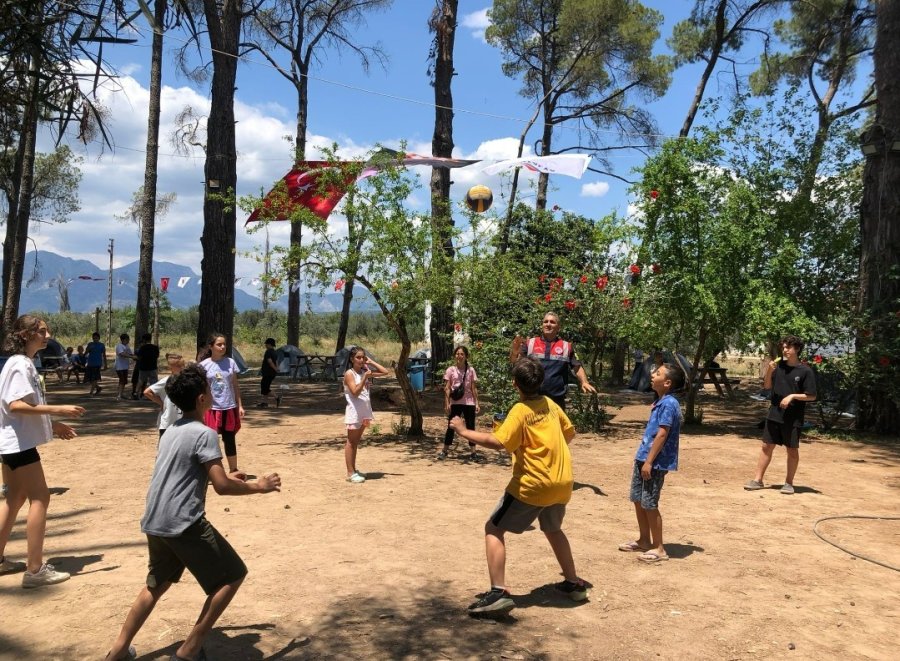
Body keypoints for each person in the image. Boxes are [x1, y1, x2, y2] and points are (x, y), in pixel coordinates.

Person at [104, 364, 281, 661]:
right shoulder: (205, 434)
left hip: (155, 520)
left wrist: (221, 478)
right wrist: (258, 486)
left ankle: (118, 652)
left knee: (156, 584)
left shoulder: (171, 430)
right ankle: (188, 650)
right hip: (183, 522)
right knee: (233, 575)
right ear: (202, 399)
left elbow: (187, 476)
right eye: (209, 389)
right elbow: (222, 486)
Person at [449, 357, 588, 616]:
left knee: (493, 528)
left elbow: (498, 442)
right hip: (562, 482)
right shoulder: (550, 404)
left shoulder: (520, 410)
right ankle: (574, 584)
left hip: (532, 485)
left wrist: (463, 430)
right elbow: (569, 433)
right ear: (541, 382)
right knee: (554, 529)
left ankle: (498, 593)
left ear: (515, 384)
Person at [0, 315, 86, 588]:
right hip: (18, 445)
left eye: (47, 330)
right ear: (25, 335)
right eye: (41, 331)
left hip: (12, 443)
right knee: (40, 498)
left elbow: (23, 408)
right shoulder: (19, 364)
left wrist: (52, 424)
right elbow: (14, 406)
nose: (47, 335)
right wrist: (57, 410)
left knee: (14, 498)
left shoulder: (24, 363)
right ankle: (35, 570)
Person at [618, 362, 685, 563]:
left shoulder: (669, 403)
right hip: (643, 458)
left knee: (650, 502)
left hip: (654, 462)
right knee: (638, 499)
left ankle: (660, 548)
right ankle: (644, 540)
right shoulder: (660, 401)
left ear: (667, 383)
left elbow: (662, 434)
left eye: (657, 373)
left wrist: (649, 462)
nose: (652, 374)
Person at [744, 335, 817, 495]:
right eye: (783, 347)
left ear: (797, 349)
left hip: (793, 418)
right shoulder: (779, 368)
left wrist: (792, 396)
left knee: (791, 450)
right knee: (766, 446)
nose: (784, 350)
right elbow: (767, 386)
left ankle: (789, 483)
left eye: (788, 347)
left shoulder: (805, 371)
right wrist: (769, 370)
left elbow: (811, 396)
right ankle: (758, 480)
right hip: (774, 414)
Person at [509, 311, 595, 410]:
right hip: (531, 398)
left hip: (556, 400)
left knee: (556, 425)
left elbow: (577, 366)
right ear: (542, 325)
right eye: (546, 321)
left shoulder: (566, 346)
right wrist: (514, 352)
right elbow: (515, 362)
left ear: (558, 327)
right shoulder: (530, 343)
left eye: (552, 322)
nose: (548, 324)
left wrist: (584, 382)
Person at [342, 346, 389, 484]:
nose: (361, 360)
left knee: (356, 442)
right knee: (351, 442)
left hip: (364, 412)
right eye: (358, 357)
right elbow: (355, 392)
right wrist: (364, 378)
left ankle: (354, 470)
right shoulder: (349, 374)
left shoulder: (364, 371)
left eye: (363, 357)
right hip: (354, 412)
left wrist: (371, 362)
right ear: (352, 359)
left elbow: (385, 372)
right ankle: (350, 473)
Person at [198, 333, 244, 473]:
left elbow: (235, 385)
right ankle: (212, 472)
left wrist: (240, 405)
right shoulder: (204, 365)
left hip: (229, 407)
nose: (223, 347)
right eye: (219, 344)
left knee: (229, 438)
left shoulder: (230, 362)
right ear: (211, 346)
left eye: (224, 344)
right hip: (211, 408)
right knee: (211, 440)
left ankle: (233, 470)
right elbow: (201, 388)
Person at [437, 345, 481, 461]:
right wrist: (447, 403)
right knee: (451, 426)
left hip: (469, 402)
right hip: (455, 402)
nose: (459, 356)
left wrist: (477, 403)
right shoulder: (450, 370)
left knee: (471, 427)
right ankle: (444, 451)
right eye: (457, 354)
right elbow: (447, 388)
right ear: (454, 356)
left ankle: (473, 453)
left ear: (466, 356)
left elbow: (473, 388)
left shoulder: (471, 370)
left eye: (462, 354)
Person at [144, 354, 186, 439]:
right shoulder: (166, 380)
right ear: (170, 368)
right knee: (164, 447)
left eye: (182, 365)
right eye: (178, 366)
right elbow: (147, 392)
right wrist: (161, 403)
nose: (182, 368)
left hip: (182, 421)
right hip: (168, 422)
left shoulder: (186, 381)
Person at [134, 333, 160, 400]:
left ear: (144, 339)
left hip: (143, 367)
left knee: (140, 380)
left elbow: (139, 357)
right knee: (153, 381)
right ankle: (152, 395)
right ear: (150, 339)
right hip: (153, 367)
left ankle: (136, 393)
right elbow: (157, 356)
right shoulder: (155, 347)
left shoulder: (142, 348)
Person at [257, 338, 278, 408]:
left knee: (265, 388)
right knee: (265, 387)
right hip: (271, 373)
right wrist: (276, 368)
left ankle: (277, 398)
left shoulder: (268, 352)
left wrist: (275, 369)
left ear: (269, 344)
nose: (265, 345)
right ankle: (264, 403)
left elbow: (270, 361)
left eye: (266, 344)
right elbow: (276, 362)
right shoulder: (274, 352)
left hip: (268, 373)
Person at [85, 331, 107, 396]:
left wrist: (105, 364)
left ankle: (91, 392)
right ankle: (98, 388)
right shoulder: (90, 344)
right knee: (89, 379)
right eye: (94, 338)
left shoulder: (101, 345)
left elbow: (104, 355)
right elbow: (86, 353)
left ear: (99, 338)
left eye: (96, 338)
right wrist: (88, 349)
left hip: (97, 364)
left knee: (94, 378)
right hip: (90, 363)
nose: (95, 339)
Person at [114, 333, 135, 401]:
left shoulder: (127, 346)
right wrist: (131, 357)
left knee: (124, 381)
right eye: (127, 339)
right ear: (124, 339)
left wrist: (135, 356)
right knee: (122, 380)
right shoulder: (119, 346)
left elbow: (130, 353)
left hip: (125, 366)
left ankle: (121, 394)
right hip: (119, 366)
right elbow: (122, 354)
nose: (128, 340)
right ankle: (119, 395)